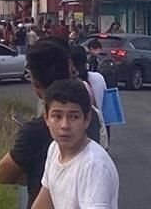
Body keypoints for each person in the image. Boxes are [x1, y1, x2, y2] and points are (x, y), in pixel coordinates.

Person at [0, 41, 72, 207]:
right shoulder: (89, 114)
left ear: (36, 84)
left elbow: (3, 174)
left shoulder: (36, 131)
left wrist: (29, 173)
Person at [32, 79, 119, 209]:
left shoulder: (94, 166)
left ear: (87, 119)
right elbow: (44, 202)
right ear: (46, 119)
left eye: (74, 117)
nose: (65, 126)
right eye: (57, 116)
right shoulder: (54, 149)